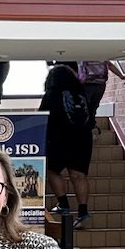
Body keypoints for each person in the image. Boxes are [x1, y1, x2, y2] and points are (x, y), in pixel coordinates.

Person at [41, 62, 95, 228]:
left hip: (59, 139)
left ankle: (63, 204)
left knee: (51, 170)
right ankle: (83, 213)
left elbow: (43, 117)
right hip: (83, 139)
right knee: (79, 175)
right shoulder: (81, 94)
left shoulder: (52, 94)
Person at [78, 60, 125, 132]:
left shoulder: (83, 53)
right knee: (94, 106)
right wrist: (121, 76)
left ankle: (85, 126)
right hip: (100, 83)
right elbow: (109, 65)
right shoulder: (101, 54)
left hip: (86, 83)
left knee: (85, 105)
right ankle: (90, 125)